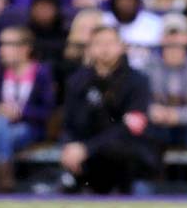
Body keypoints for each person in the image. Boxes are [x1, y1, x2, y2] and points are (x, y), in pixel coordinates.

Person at [61, 25, 157, 194]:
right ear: (89, 48)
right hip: (87, 159)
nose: (105, 48)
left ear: (122, 47)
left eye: (111, 43)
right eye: (99, 43)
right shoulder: (77, 81)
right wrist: (69, 147)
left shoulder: (138, 82)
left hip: (126, 159)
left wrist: (87, 148)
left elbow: (132, 128)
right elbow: (68, 123)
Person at [145, 13, 187, 194]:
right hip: (158, 124)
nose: (175, 40)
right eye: (170, 34)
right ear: (161, 38)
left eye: (179, 34)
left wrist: (178, 115)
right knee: (140, 124)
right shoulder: (147, 64)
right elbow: (138, 102)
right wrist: (151, 110)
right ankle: (140, 193)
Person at [0, 25, 54, 192]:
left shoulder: (41, 73)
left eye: (8, 45)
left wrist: (21, 112)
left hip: (28, 128)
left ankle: (2, 175)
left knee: (2, 132)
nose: (2, 50)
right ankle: (5, 175)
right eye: (1, 45)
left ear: (25, 49)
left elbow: (47, 110)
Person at [110, 0, 163, 70]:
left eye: (129, 0)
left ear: (138, 1)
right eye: (121, 0)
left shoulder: (154, 23)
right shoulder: (105, 21)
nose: (125, 4)